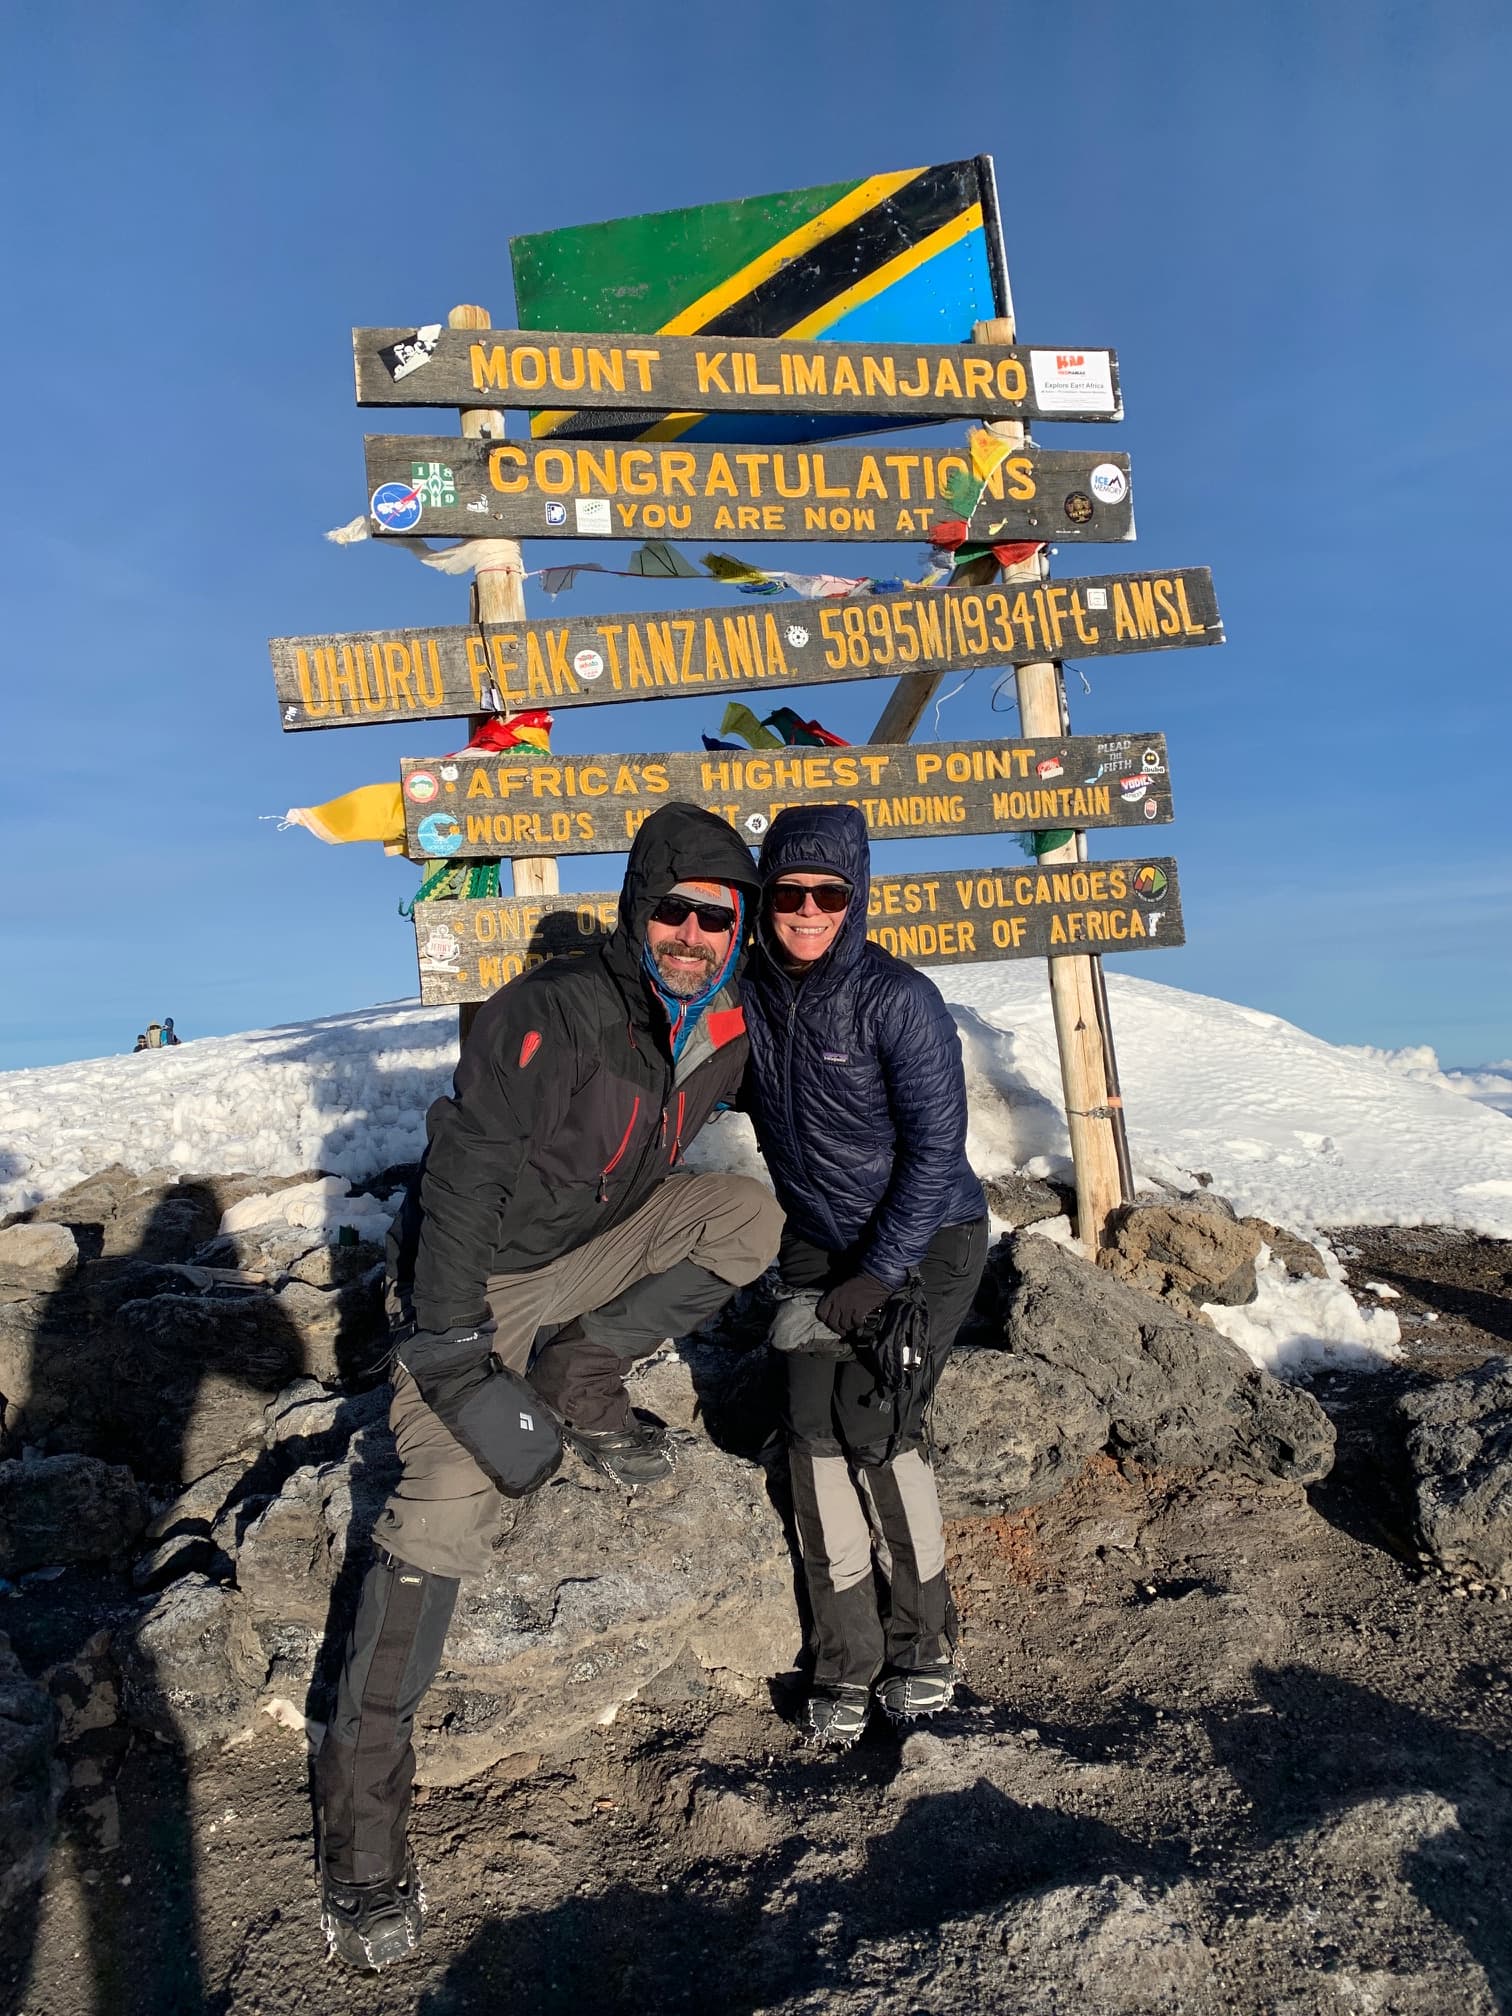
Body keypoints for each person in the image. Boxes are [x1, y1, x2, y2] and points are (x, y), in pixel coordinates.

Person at [315, 801, 783, 1970]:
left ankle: (583, 1369)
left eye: (715, 918)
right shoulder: (554, 1010)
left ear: (738, 929)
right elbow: (465, 1168)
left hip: (589, 1253)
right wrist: (449, 1344)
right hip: (479, 1277)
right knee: (444, 1509)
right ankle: (361, 1835)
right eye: (673, 911)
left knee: (747, 1216)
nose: (692, 934)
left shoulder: (722, 1025)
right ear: (639, 910)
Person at [741, 803, 988, 1750]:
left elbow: (937, 1152)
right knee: (811, 1434)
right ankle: (845, 1657)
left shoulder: (898, 999)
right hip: (817, 1239)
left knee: (877, 1427)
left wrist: (880, 1273)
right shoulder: (751, 993)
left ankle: (924, 1645)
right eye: (788, 893)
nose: (807, 911)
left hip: (927, 1239)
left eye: (828, 893)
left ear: (857, 897)